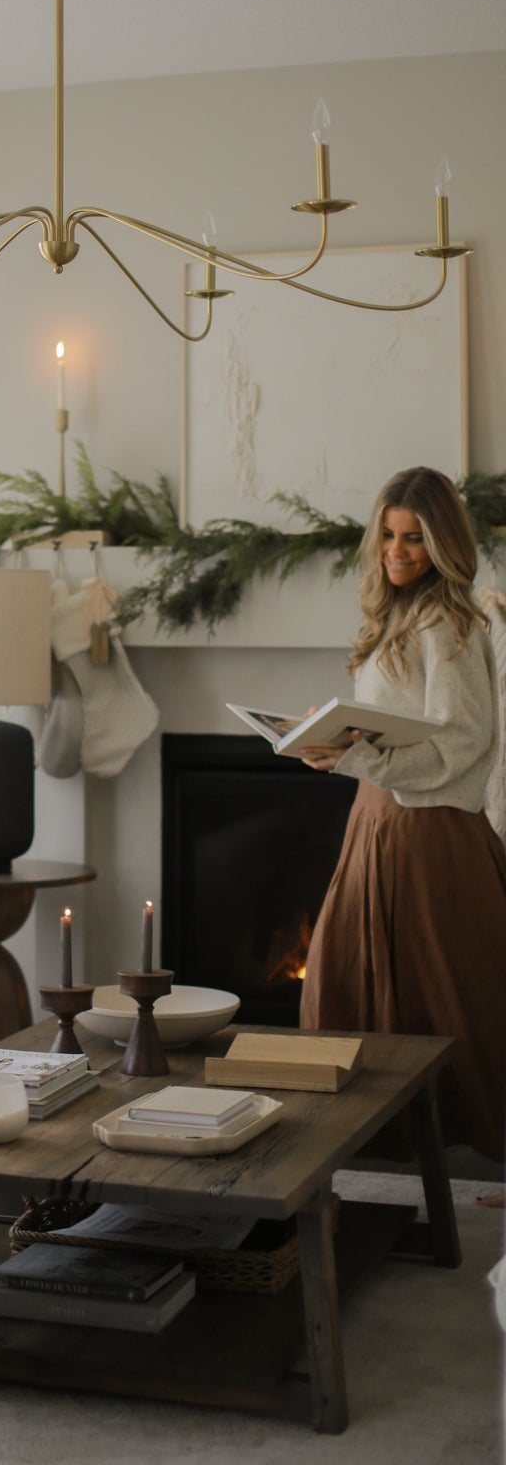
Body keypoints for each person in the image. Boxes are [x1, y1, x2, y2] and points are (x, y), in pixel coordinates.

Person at [298, 466, 506, 1168]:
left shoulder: (448, 617)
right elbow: (402, 723)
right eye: (388, 535)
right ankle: (373, 1152)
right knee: (348, 985)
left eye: (414, 538)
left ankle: (449, 1155)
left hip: (427, 833)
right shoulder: (400, 611)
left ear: (442, 541)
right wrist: (341, 738)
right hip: (378, 823)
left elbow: (463, 736)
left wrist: (362, 757)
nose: (397, 550)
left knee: (443, 1002)